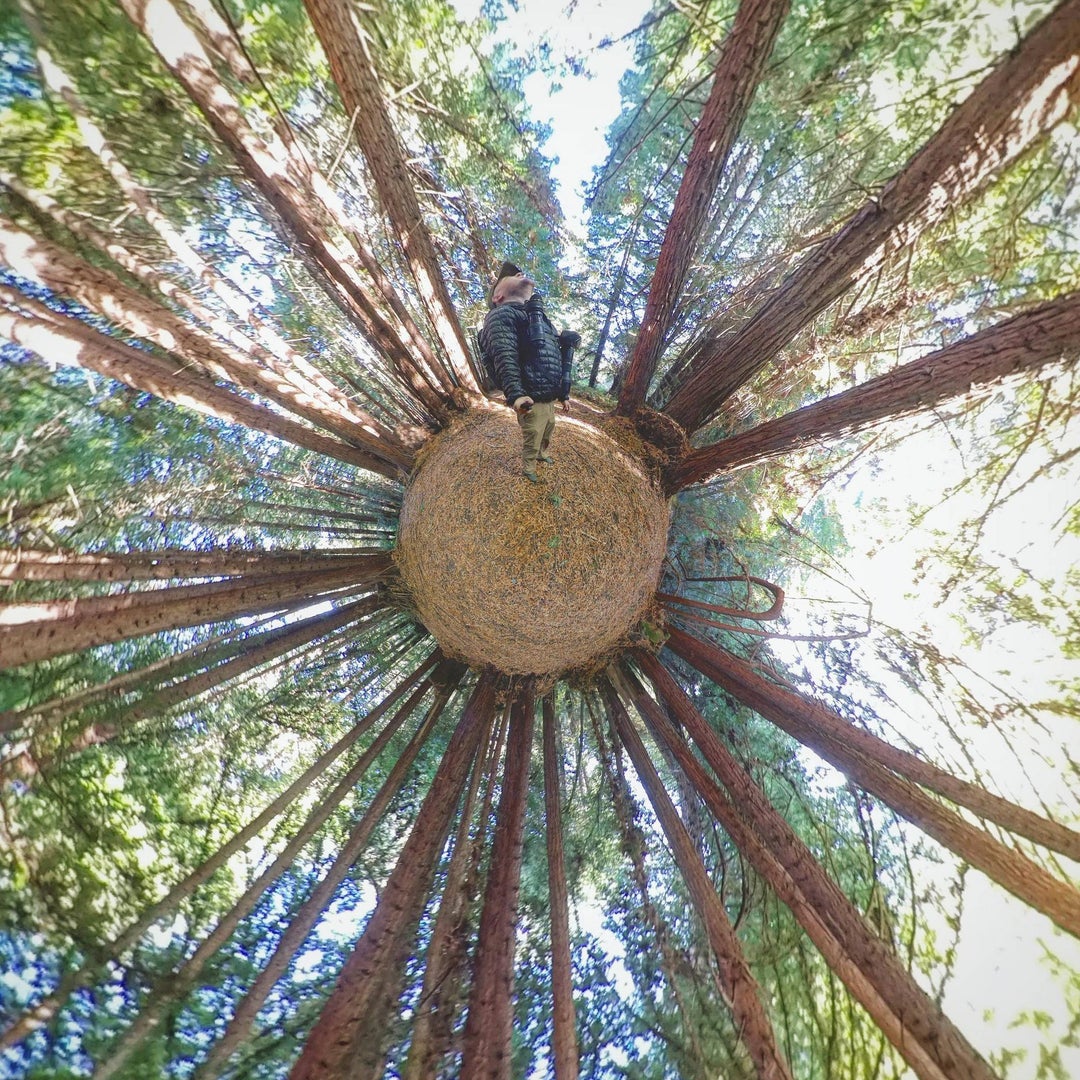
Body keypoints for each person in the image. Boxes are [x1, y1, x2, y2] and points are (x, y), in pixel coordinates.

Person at [478, 261, 580, 482]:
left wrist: (563, 395)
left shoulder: (540, 318)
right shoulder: (501, 316)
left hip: (549, 396)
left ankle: (543, 455)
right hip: (530, 397)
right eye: (510, 276)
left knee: (548, 429)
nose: (519, 273)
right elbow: (504, 356)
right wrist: (515, 394)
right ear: (498, 297)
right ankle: (529, 467)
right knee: (533, 434)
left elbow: (553, 359)